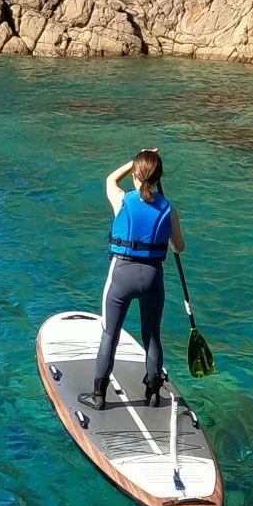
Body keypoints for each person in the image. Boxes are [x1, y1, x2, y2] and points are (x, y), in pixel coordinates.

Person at [90, 148, 183, 410]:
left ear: (135, 175)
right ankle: (153, 394)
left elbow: (110, 179)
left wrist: (135, 161)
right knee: (152, 335)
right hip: (153, 277)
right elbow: (178, 247)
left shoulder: (122, 200)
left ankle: (98, 395)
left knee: (110, 334)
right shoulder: (169, 210)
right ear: (158, 177)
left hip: (122, 274)